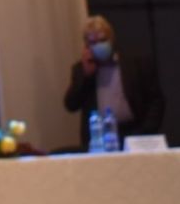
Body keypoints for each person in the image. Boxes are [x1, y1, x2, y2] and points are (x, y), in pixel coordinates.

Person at [63, 15, 165, 148]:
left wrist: (146, 131)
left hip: (135, 133)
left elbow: (156, 101)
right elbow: (71, 105)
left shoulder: (136, 64)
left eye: (102, 40)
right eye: (93, 42)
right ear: (87, 46)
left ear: (111, 39)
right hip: (99, 137)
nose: (99, 45)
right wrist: (86, 75)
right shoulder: (81, 69)